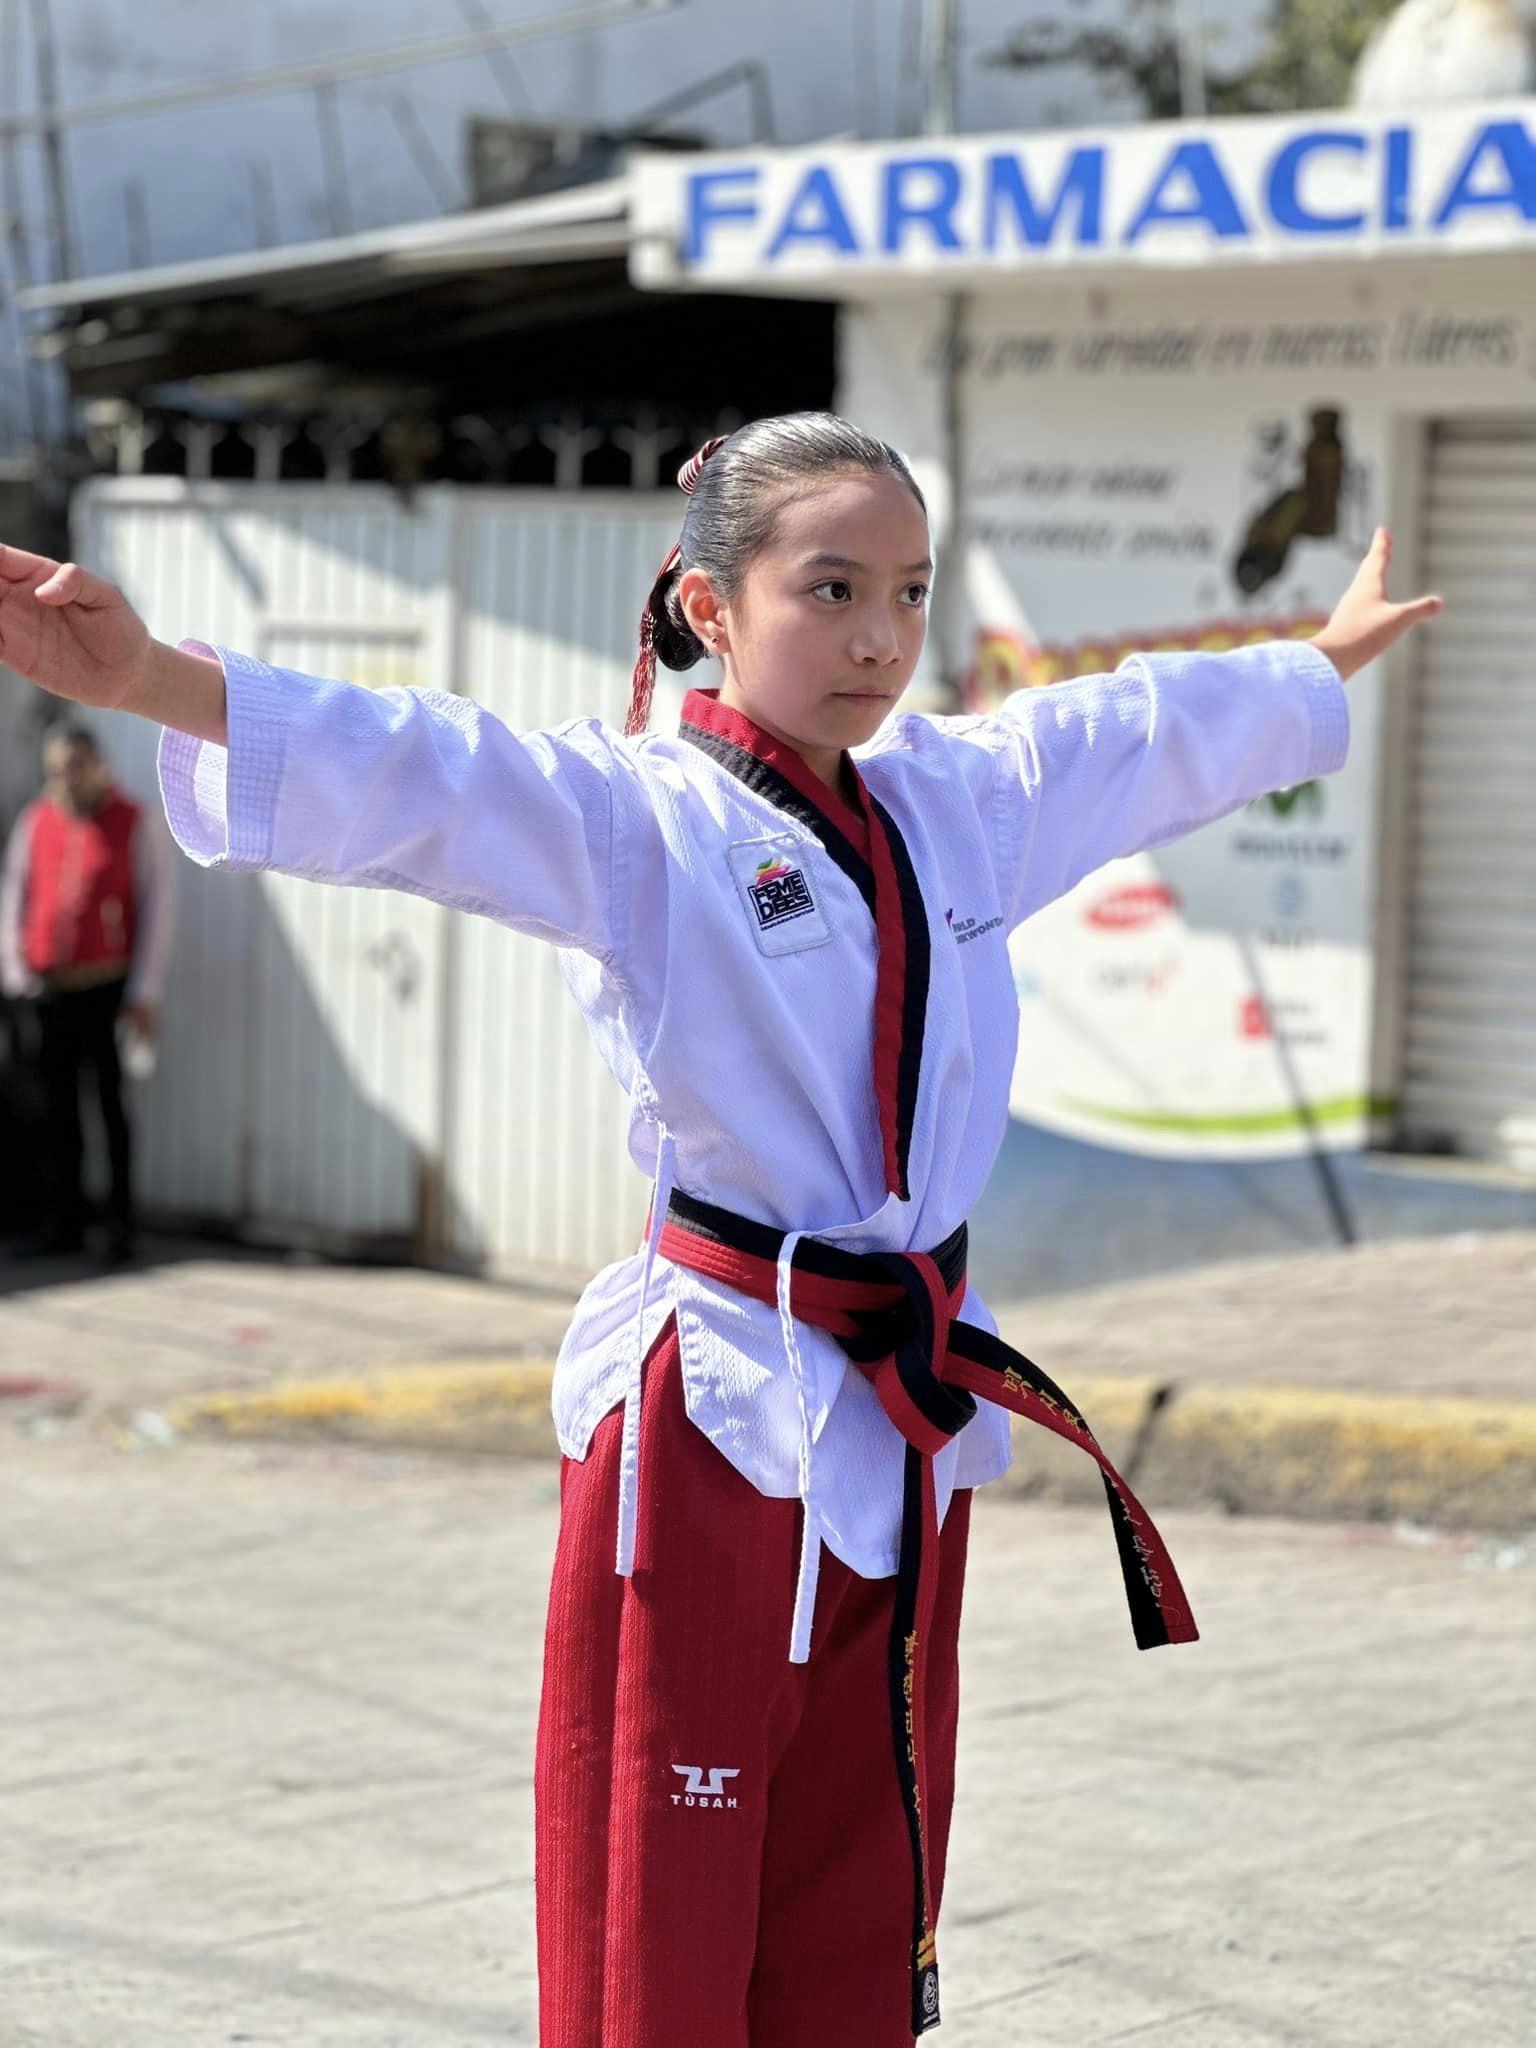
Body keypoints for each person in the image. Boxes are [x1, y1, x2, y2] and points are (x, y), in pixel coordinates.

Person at [0, 414, 1440, 2045]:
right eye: (829, 587)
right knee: (660, 1904)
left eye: (904, 588)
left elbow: (1130, 732)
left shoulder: (952, 803)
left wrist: (1316, 667)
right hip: (717, 1409)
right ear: (710, 606)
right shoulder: (637, 821)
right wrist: (149, 684)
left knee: (860, 1857)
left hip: (898, 1414)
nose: (881, 636)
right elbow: (418, 767)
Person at [0, 722, 175, 1262]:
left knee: (109, 1108)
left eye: (75, 767)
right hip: (48, 990)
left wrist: (144, 991)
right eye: (56, 770)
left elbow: (157, 909)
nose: (66, 780)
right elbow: (15, 898)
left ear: (96, 765)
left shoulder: (133, 823)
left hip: (107, 988)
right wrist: (16, 973)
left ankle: (119, 1225)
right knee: (56, 1113)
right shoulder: (36, 822)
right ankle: (64, 1223)